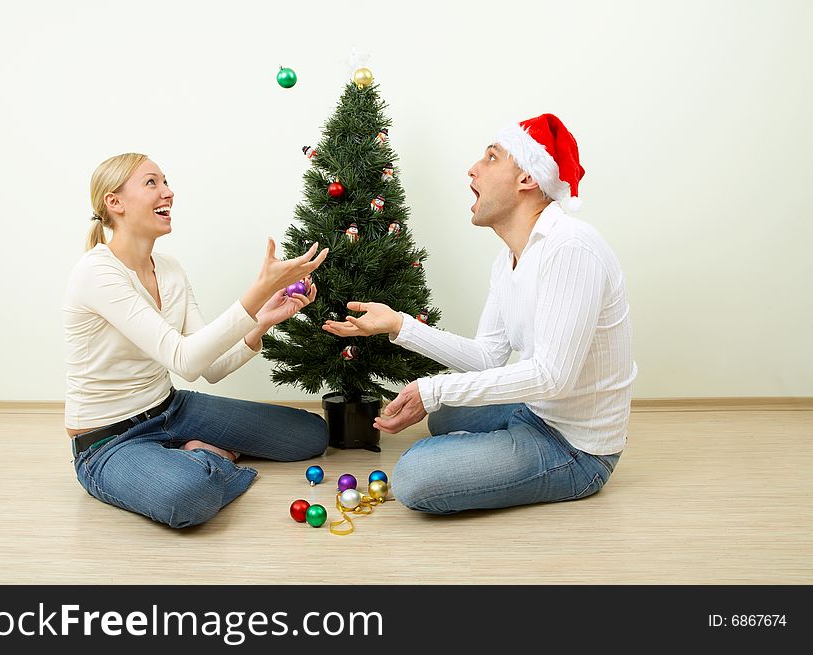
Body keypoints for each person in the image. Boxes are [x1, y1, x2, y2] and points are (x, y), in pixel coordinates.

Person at [323, 114, 637, 514]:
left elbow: (552, 377)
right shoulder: (510, 257)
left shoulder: (571, 247)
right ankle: (491, 450)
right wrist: (400, 324)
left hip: (575, 447)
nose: (472, 169)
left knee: (414, 477)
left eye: (491, 158)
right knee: (445, 415)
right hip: (535, 409)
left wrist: (432, 389)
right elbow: (488, 357)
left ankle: (491, 457)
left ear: (527, 178)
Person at [64, 153, 330, 528]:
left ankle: (186, 454)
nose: (168, 192)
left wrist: (262, 321)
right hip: (109, 442)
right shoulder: (96, 273)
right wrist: (257, 293)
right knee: (190, 499)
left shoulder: (170, 268)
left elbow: (210, 367)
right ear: (115, 202)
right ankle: (205, 457)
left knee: (310, 435)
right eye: (152, 183)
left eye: (166, 182)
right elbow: (183, 360)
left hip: (171, 408)